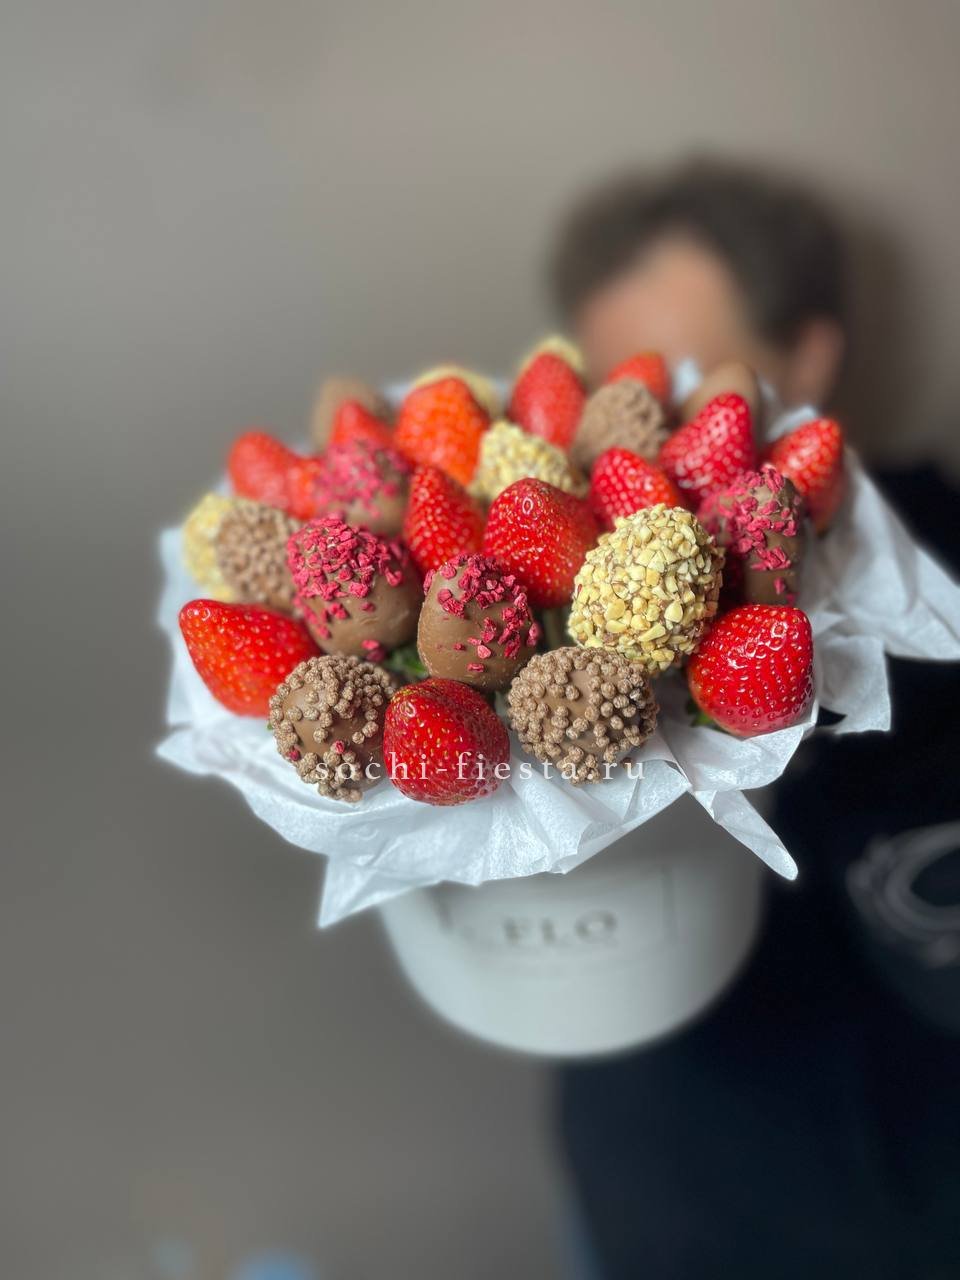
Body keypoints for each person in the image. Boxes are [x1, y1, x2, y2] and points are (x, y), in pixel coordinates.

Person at [549, 159, 960, 1280]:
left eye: (686, 381)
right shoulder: (543, 597)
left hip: (886, 1220)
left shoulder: (940, 587)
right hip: (638, 1198)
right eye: (610, 392)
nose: (643, 432)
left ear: (809, 359)